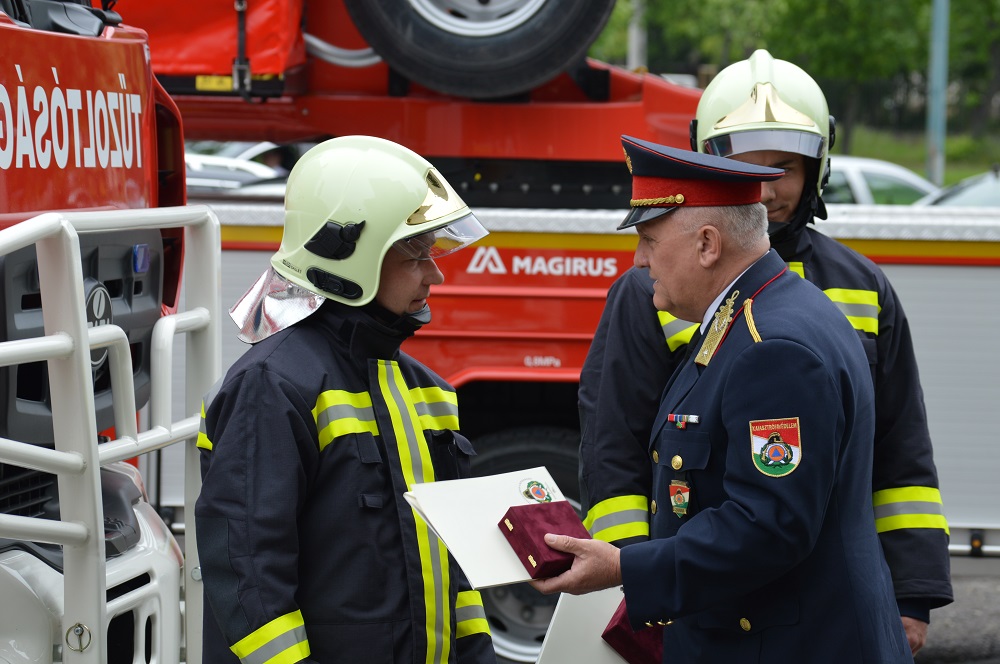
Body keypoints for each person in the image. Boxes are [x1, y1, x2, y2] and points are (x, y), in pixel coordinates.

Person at [578, 49, 952, 654]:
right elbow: (615, 446)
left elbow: (894, 455)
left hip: (774, 623)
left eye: (782, 169)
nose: (765, 188)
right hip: (711, 599)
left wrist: (912, 590)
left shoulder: (787, 327)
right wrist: (634, 589)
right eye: (745, 170)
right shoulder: (694, 296)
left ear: (706, 243)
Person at [534, 135, 912, 663]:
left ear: (707, 244)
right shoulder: (758, 315)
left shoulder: (771, 346)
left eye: (649, 239)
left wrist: (626, 568)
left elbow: (768, 526)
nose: (640, 261)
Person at [195, 135, 498, 664]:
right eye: (415, 253)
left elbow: (451, 566)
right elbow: (248, 574)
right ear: (350, 254)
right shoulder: (272, 385)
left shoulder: (425, 388)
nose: (435, 273)